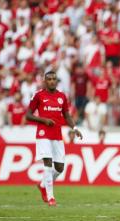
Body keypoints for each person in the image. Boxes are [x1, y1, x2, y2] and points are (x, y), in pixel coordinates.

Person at [26, 71, 83, 206]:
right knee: (48, 164)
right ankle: (51, 197)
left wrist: (74, 129)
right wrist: (43, 120)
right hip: (43, 134)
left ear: (57, 81)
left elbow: (67, 115)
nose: (52, 81)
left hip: (57, 135)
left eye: (54, 79)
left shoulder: (62, 96)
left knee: (60, 167)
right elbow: (28, 115)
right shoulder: (38, 95)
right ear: (45, 81)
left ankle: (42, 185)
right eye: (49, 79)